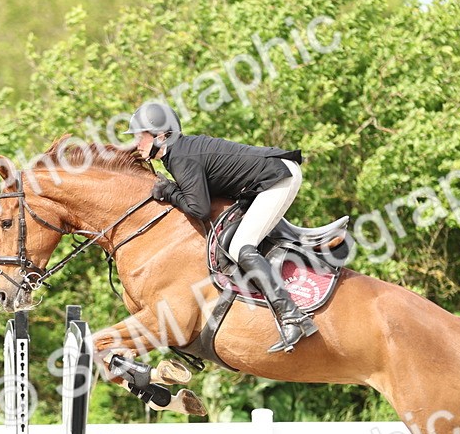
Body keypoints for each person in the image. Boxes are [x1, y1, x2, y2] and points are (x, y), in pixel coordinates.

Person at [122, 100, 318, 354]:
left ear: (160, 136)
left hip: (277, 178)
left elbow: (199, 209)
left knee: (240, 247)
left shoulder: (181, 157)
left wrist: (169, 190)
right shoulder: (178, 154)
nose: (137, 144)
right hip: (265, 181)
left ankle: (293, 317)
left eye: (140, 137)